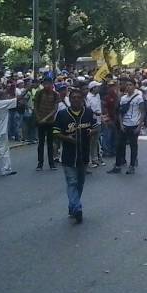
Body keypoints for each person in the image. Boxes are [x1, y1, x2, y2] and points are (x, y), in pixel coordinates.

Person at [55, 86, 96, 222]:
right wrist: (68, 139)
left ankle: (72, 205)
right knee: (72, 182)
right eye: (73, 98)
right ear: (70, 99)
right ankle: (77, 208)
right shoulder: (62, 114)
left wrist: (92, 132)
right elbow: (55, 132)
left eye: (79, 98)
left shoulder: (88, 113)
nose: (76, 100)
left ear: (82, 99)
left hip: (83, 155)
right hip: (68, 155)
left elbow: (95, 127)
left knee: (80, 183)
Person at [110, 78, 144, 174]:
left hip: (134, 125)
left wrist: (139, 126)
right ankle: (117, 165)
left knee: (133, 146)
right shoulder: (123, 98)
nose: (128, 87)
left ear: (134, 86)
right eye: (127, 85)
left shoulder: (138, 98)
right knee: (119, 145)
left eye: (130, 85)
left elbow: (143, 112)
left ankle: (132, 165)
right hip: (124, 125)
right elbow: (120, 113)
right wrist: (121, 124)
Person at [33, 77, 60, 171]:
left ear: (52, 84)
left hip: (50, 121)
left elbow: (55, 109)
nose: (47, 85)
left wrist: (45, 118)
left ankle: (51, 163)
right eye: (45, 83)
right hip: (40, 121)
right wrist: (38, 118)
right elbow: (35, 106)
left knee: (50, 143)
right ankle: (40, 163)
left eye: (48, 83)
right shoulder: (39, 93)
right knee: (40, 143)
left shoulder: (56, 94)